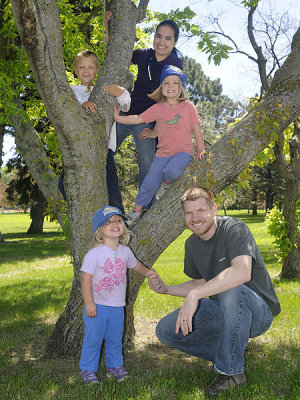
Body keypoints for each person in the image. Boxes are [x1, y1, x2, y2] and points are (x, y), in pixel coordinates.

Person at [149, 187, 281, 396]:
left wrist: (195, 296)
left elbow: (242, 272)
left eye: (200, 210)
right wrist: (167, 290)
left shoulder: (235, 228)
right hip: (224, 309)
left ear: (214, 209)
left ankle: (232, 373)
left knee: (232, 287)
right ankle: (230, 354)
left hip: (258, 311)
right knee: (166, 330)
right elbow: (199, 283)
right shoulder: (191, 244)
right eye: (189, 213)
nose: (195, 218)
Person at [114, 65, 206, 226]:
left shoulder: (188, 107)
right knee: (148, 183)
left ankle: (166, 184)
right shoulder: (158, 108)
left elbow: (196, 129)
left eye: (175, 83)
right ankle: (136, 211)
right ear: (161, 88)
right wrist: (119, 118)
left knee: (172, 172)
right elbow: (139, 119)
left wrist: (201, 149)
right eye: (166, 83)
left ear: (181, 87)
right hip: (162, 155)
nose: (170, 86)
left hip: (183, 154)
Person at [79, 205, 158, 384]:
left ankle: (114, 366)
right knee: (93, 339)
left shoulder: (125, 251)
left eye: (118, 220)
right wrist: (89, 303)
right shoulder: (94, 254)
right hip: (97, 306)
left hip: (117, 307)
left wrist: (147, 273)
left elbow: (135, 265)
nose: (115, 224)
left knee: (115, 338)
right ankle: (87, 369)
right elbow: (85, 278)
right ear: (99, 230)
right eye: (109, 222)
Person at [58, 50, 130, 213]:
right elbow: (67, 110)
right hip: (78, 147)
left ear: (98, 70)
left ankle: (119, 212)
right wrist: (82, 105)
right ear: (75, 70)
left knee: (110, 180)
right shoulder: (72, 90)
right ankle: (82, 211)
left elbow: (126, 105)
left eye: (91, 67)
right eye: (81, 67)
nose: (86, 71)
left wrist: (122, 92)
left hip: (105, 146)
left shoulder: (104, 90)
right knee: (62, 184)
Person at [116, 19, 183, 194]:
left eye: (168, 38)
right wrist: (108, 27)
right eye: (158, 36)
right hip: (125, 113)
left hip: (147, 122)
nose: (162, 42)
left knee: (146, 163)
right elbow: (118, 52)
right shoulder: (145, 54)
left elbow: (170, 102)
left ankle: (144, 206)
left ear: (175, 42)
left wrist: (155, 131)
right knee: (104, 150)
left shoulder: (175, 64)